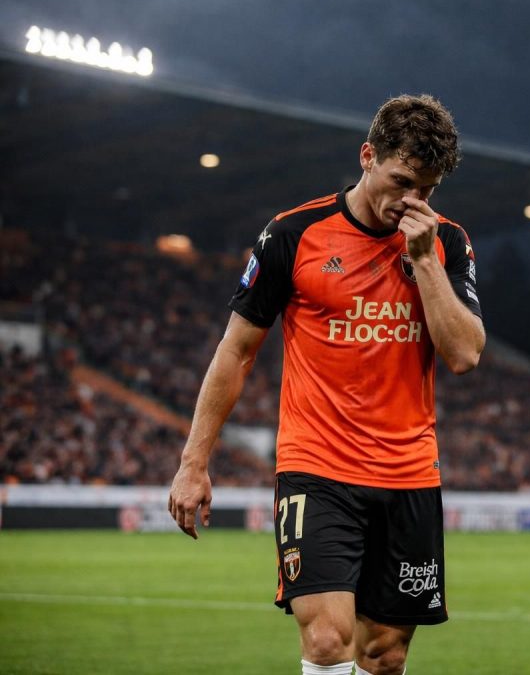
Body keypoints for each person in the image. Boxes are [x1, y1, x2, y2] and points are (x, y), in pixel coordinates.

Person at [168, 94, 485, 675]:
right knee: (326, 639)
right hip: (317, 468)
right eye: (401, 181)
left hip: (409, 472)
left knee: (384, 654)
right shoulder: (292, 235)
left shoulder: (447, 242)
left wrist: (426, 264)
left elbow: (464, 353)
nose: (412, 201)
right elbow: (236, 351)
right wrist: (194, 462)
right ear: (367, 156)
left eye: (428, 190)